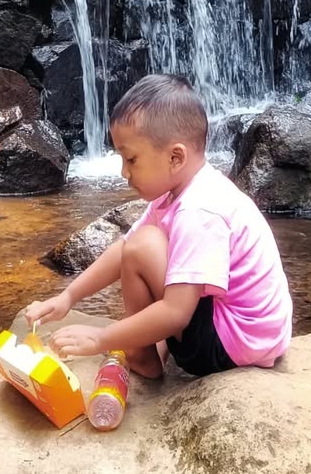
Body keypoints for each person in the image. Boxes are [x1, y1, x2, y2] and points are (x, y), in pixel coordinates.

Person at [26, 74, 292, 378]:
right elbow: (123, 249)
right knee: (140, 243)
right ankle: (157, 346)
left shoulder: (199, 210)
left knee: (144, 246)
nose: (124, 172)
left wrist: (100, 338)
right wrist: (68, 297)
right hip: (259, 335)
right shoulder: (187, 189)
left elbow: (176, 312)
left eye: (131, 159)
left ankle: (142, 357)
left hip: (230, 345)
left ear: (175, 157)